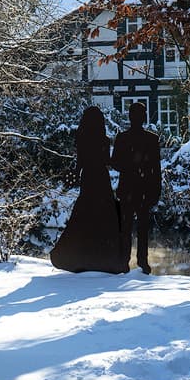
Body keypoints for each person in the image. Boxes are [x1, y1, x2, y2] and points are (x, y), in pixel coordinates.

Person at [50, 107, 128, 274]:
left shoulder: (82, 139)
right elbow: (108, 161)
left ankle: (81, 254)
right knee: (105, 214)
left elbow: (80, 163)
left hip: (89, 177)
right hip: (101, 177)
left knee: (85, 212)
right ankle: (106, 255)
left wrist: (74, 176)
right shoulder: (104, 140)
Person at [111, 102, 162, 274]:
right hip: (133, 189)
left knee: (136, 228)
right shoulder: (125, 138)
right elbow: (115, 163)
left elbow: (156, 168)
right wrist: (133, 166)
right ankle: (129, 261)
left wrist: (156, 190)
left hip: (139, 190)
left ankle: (137, 261)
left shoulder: (149, 139)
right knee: (130, 227)